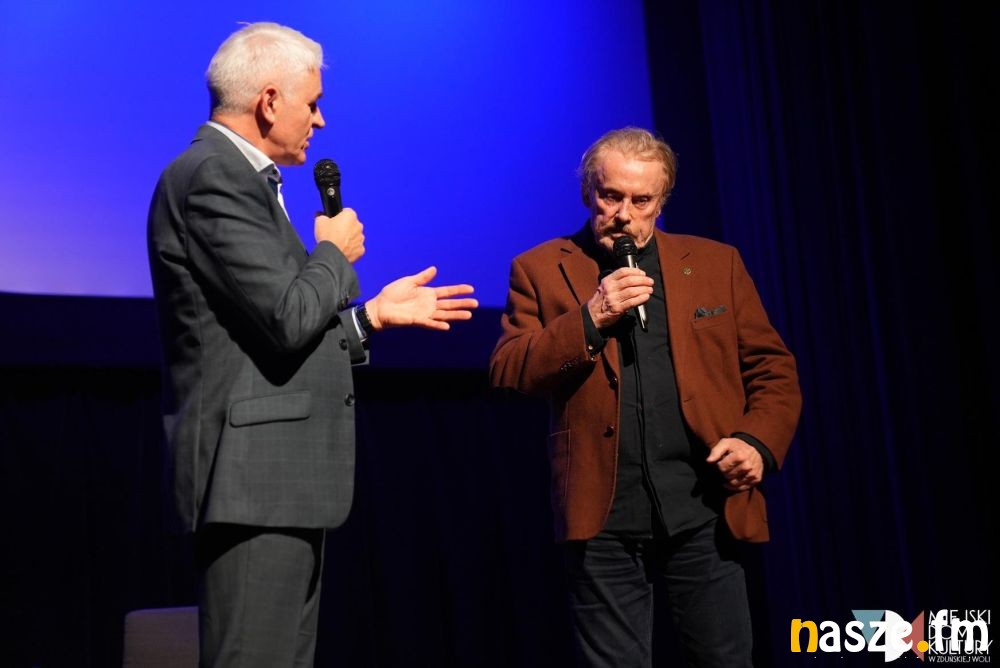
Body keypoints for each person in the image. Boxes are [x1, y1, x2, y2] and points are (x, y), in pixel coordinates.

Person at [147, 22, 477, 667]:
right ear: (270, 101)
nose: (320, 121)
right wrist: (334, 251)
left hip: (277, 484)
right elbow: (289, 318)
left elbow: (269, 342)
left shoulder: (242, 180)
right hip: (251, 483)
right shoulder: (213, 175)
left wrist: (372, 318)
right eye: (314, 103)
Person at [489, 127, 801, 667]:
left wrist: (756, 442)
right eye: (611, 197)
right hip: (603, 513)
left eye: (642, 201)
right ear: (589, 193)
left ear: (662, 201)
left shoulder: (715, 263)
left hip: (702, 505)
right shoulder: (539, 268)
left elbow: (773, 370)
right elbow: (509, 370)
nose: (624, 215)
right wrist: (591, 318)